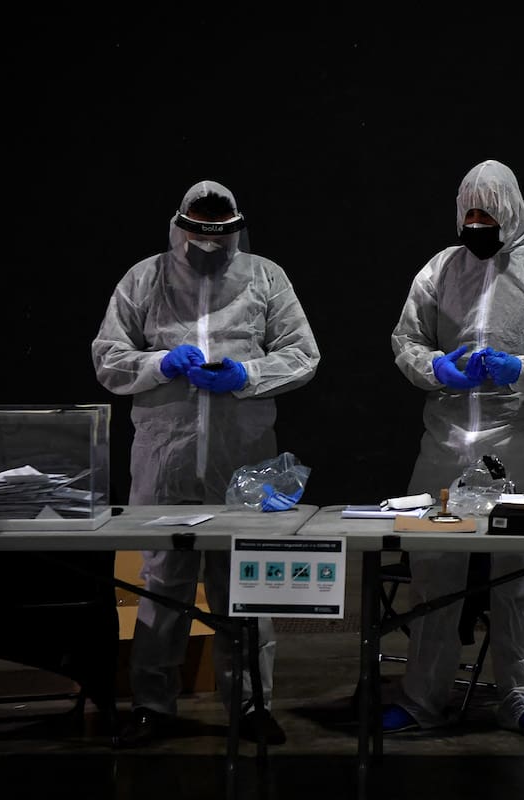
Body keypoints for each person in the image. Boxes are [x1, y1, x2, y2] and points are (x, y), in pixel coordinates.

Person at [91, 179, 321, 747]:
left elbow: (302, 353)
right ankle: (152, 705)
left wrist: (247, 375)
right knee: (162, 588)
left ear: (236, 228)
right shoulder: (145, 278)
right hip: (164, 461)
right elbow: (108, 357)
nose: (209, 246)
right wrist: (161, 363)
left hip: (240, 464)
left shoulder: (266, 277)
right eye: (199, 233)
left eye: (220, 235)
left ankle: (250, 704)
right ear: (181, 224)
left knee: (245, 587)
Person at [385, 159, 524, 738]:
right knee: (433, 571)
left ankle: (521, 697)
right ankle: (422, 698)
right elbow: (406, 340)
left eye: (488, 214)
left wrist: (518, 369)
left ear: (512, 214)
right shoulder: (439, 270)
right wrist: (436, 367)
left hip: (519, 442)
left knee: (519, 573)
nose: (476, 224)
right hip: (446, 441)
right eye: (469, 213)